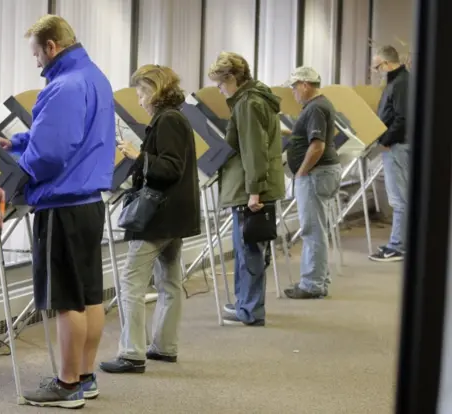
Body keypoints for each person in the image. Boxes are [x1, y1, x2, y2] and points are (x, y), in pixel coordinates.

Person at [0, 15, 115, 409]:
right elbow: (62, 134)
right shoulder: (93, 76)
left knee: (66, 300)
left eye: (36, 54)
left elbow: (49, 153)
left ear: (51, 46)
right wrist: (16, 142)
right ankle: (83, 377)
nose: (36, 63)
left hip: (62, 203)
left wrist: (14, 182)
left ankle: (65, 386)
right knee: (89, 295)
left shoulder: (63, 85)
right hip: (89, 202)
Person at [99, 65, 200, 374]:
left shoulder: (168, 120)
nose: (139, 99)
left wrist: (136, 155)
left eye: (142, 92)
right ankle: (165, 347)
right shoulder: (175, 117)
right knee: (169, 281)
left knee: (130, 279)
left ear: (155, 91)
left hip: (159, 216)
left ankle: (131, 353)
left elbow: (169, 168)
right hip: (176, 215)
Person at [207, 52, 285, 326]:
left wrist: (255, 191)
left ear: (231, 78)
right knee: (248, 249)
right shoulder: (258, 97)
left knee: (249, 250)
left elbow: (254, 150)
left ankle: (250, 311)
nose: (219, 89)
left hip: (250, 187)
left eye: (219, 84)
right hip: (258, 184)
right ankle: (244, 304)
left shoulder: (247, 104)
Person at [282, 67, 342, 299]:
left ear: (305, 85)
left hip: (315, 173)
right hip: (323, 172)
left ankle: (311, 284)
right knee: (319, 228)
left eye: (294, 87)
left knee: (312, 229)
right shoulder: (320, 105)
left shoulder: (316, 107)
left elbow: (317, 146)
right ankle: (319, 279)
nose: (293, 92)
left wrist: (302, 172)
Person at [368, 45, 410, 262]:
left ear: (386, 63)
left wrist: (385, 140)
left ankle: (397, 246)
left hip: (397, 146)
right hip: (398, 145)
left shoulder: (401, 83)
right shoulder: (399, 81)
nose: (377, 73)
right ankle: (399, 242)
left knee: (398, 198)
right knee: (401, 197)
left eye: (377, 68)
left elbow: (403, 118)